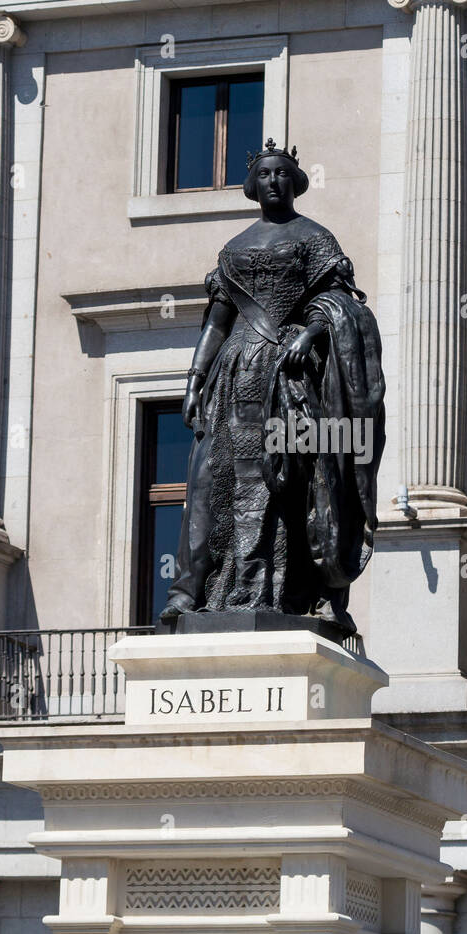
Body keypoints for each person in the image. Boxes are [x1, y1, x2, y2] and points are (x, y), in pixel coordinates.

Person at [160, 140, 385, 634]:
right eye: (265, 174)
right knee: (211, 479)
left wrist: (312, 331)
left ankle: (306, 592)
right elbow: (217, 324)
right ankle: (194, 591)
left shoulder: (315, 238)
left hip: (289, 379)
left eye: (283, 174)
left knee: (299, 479)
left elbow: (343, 304)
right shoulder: (234, 249)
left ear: (296, 182)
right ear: (252, 184)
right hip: (234, 374)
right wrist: (196, 379)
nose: (274, 181)